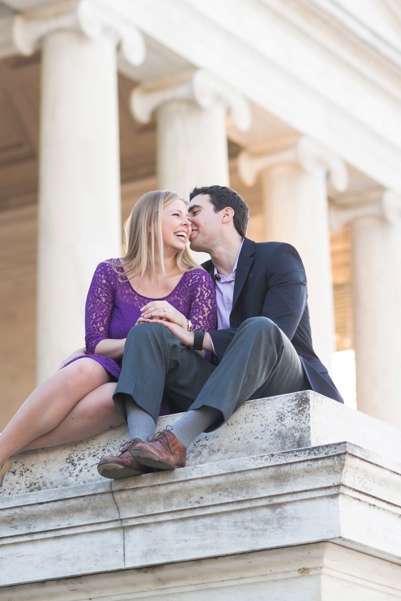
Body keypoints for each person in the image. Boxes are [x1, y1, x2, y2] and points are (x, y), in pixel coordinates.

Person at [0, 191, 216, 503]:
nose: (186, 223)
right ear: (148, 223)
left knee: (110, 399)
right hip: (109, 365)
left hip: (157, 383)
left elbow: (204, 350)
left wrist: (175, 327)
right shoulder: (110, 273)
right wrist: (137, 338)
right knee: (83, 366)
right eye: (176, 215)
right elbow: (95, 343)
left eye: (188, 217)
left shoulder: (197, 280)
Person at [96, 185, 342, 478]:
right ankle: (137, 445)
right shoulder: (196, 278)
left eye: (195, 212)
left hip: (281, 377)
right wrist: (181, 326)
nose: (187, 222)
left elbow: (280, 331)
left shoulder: (277, 256)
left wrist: (196, 336)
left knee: (261, 327)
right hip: (220, 381)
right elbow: (178, 341)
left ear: (226, 215)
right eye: (183, 215)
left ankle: (176, 440)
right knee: (148, 332)